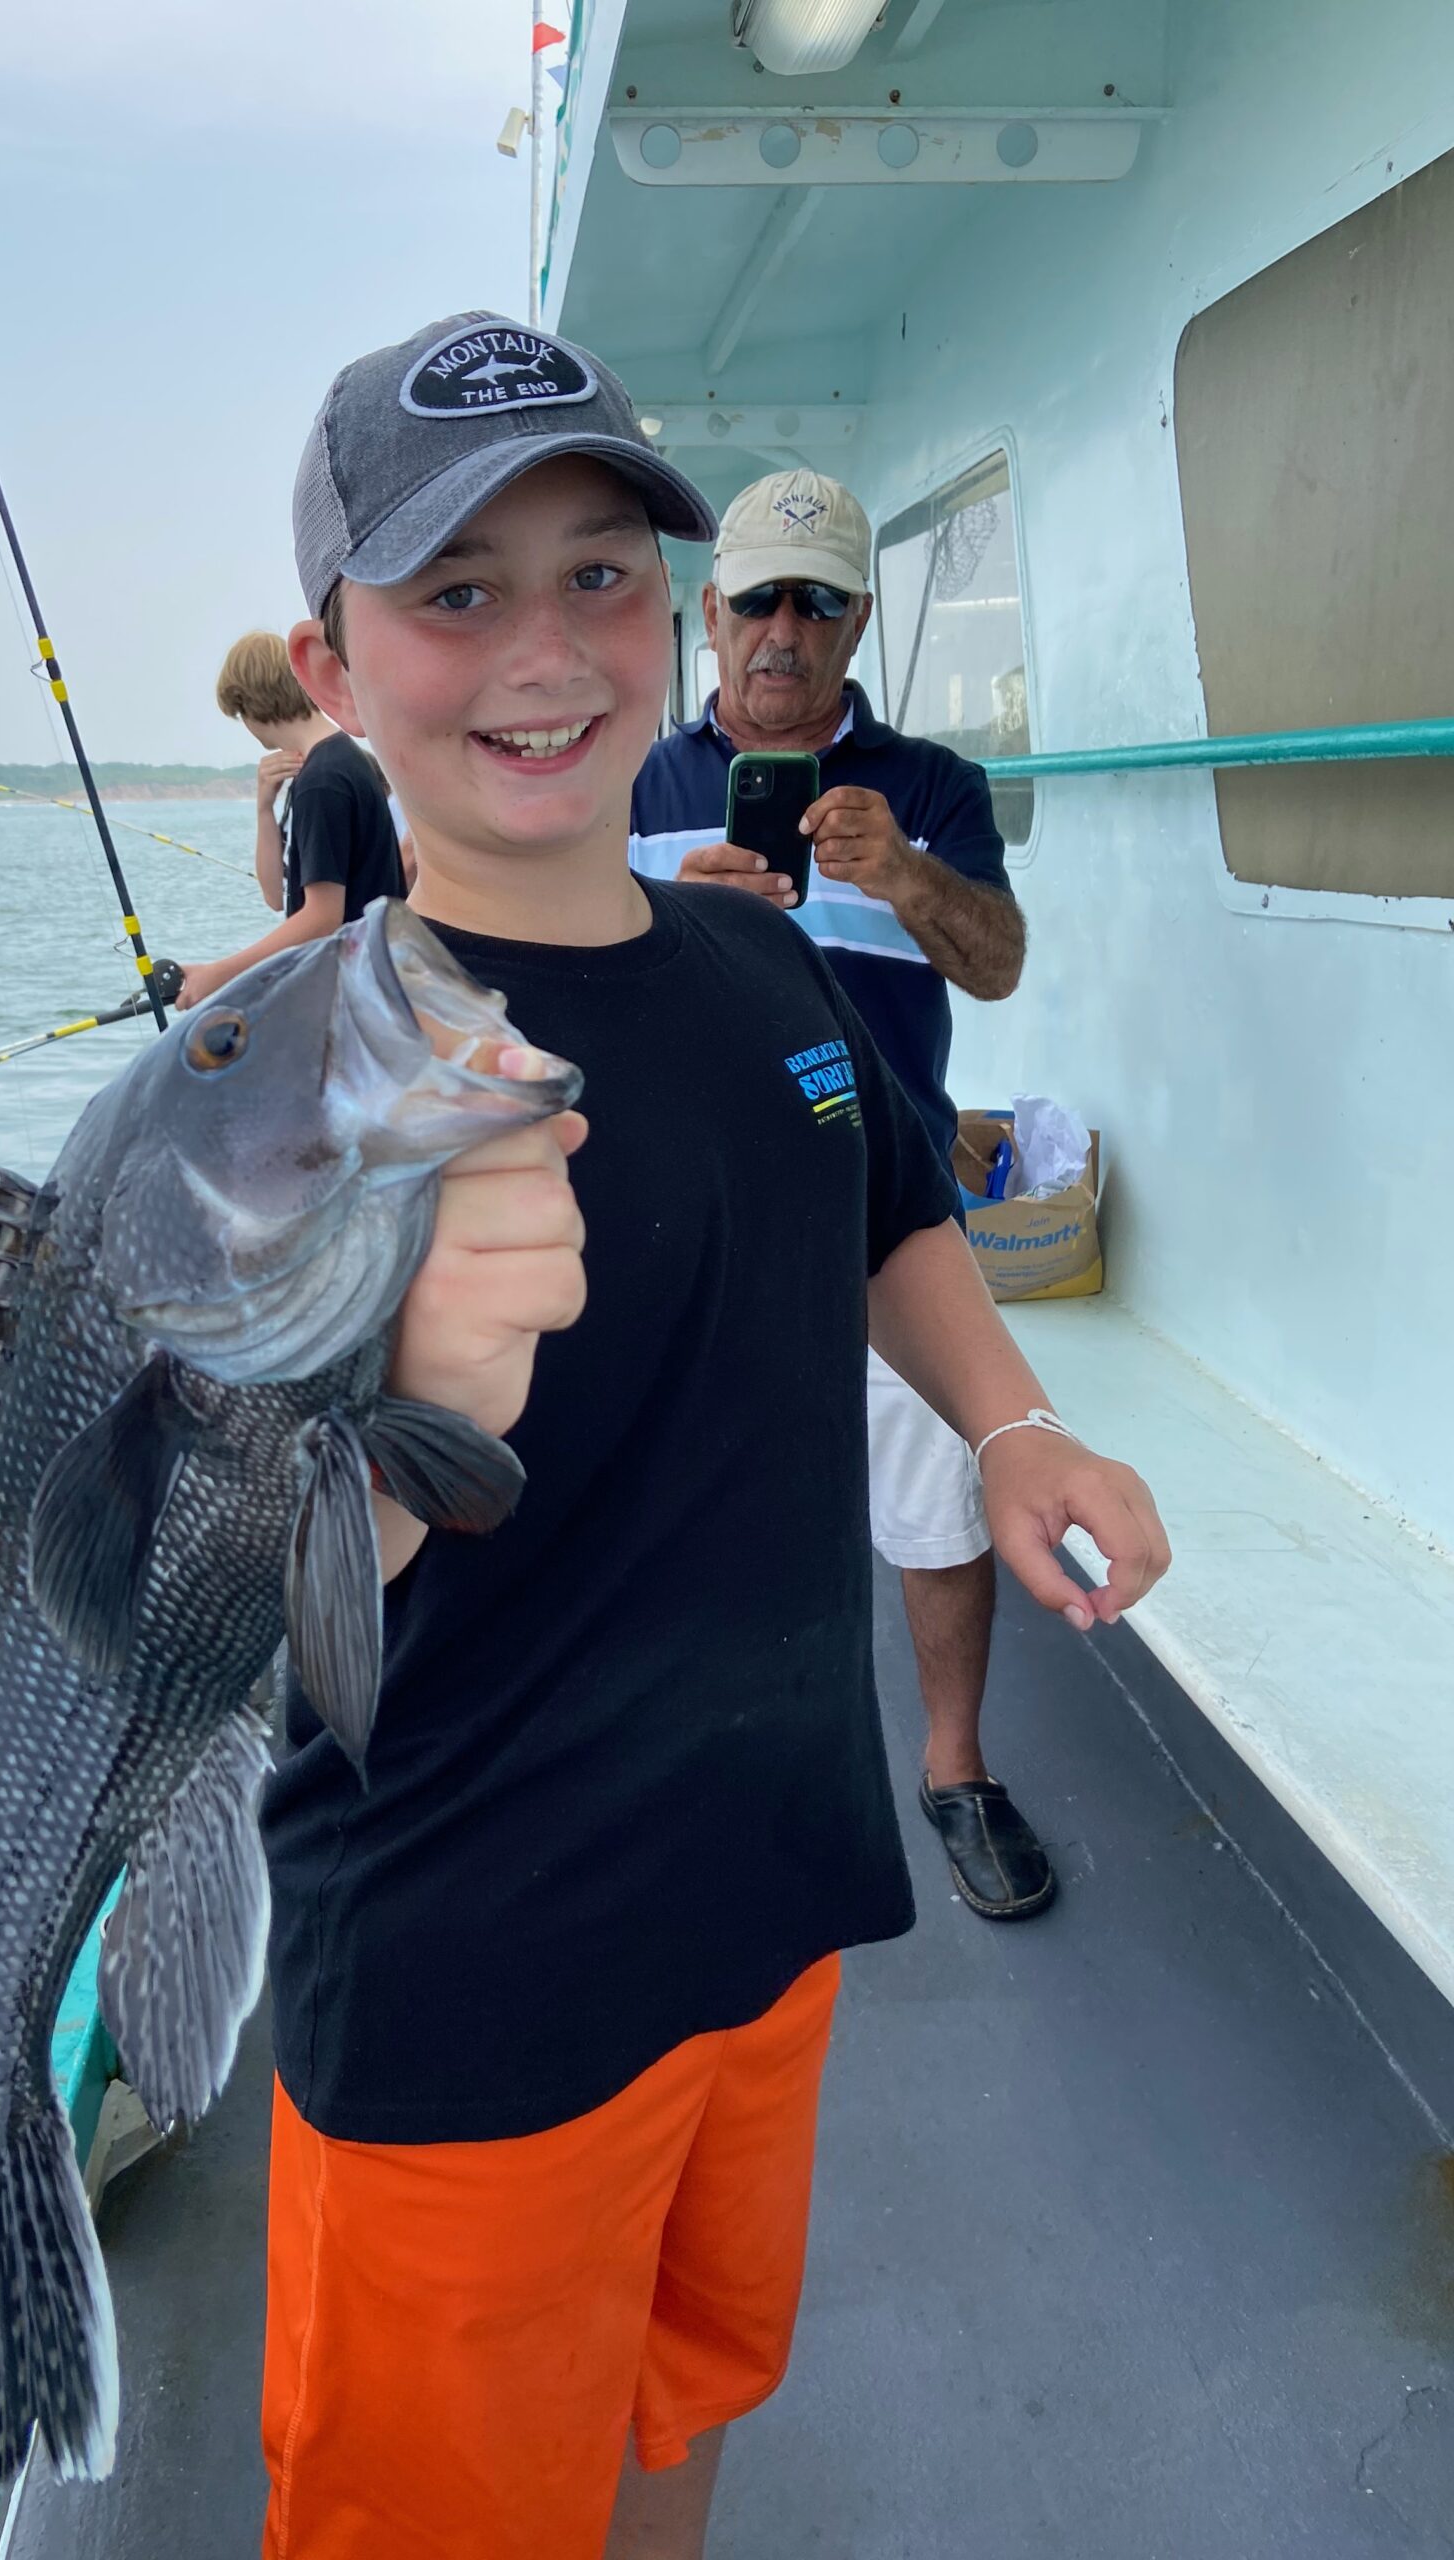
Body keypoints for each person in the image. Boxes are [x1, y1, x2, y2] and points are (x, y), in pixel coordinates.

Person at [238, 311, 1170, 2560]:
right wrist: (417, 1407)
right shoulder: (299, 1092)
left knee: (688, 2406)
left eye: (597, 573)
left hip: (769, 1894)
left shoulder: (773, 977)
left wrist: (1015, 1422)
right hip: (476, 1976)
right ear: (337, 669)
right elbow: (229, 1598)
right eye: (455, 590)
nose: (542, 648)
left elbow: (887, 1208)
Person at [630, 470, 1050, 1922]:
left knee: (938, 1502)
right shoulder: (635, 781)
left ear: (859, 619)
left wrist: (908, 871)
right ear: (712, 613)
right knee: (690, 1499)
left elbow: (996, 965)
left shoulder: (931, 787)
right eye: (760, 598)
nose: (785, 631)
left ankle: (954, 1768)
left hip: (890, 1213)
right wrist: (667, 915)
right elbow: (544, 984)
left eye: (818, 602)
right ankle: (709, 1756)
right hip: (695, 1211)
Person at [175, 629, 404, 1011]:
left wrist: (219, 974)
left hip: (354, 993)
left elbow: (322, 917)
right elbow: (273, 895)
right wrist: (264, 808)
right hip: (370, 982)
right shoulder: (335, 763)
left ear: (247, 703)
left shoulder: (323, 781)